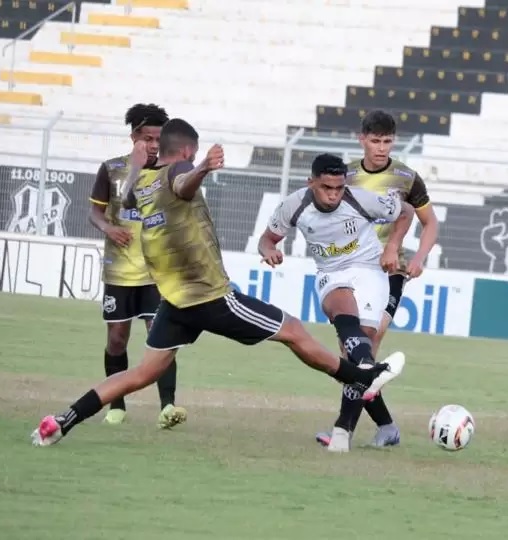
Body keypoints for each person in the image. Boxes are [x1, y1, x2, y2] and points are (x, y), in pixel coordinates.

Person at [31, 119, 404, 447]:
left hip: (174, 303)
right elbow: (183, 184)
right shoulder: (179, 172)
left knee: (142, 373)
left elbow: (145, 188)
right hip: (211, 298)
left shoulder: (142, 184)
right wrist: (204, 168)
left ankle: (64, 419)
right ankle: (362, 377)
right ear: (188, 150)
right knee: (293, 330)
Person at [258, 153, 415, 452]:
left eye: (338, 188)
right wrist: (268, 251)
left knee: (350, 358)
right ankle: (370, 379)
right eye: (326, 187)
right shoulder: (294, 205)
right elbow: (266, 239)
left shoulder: (360, 199)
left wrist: (392, 247)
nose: (333, 194)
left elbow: (405, 211)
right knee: (347, 326)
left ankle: (365, 429)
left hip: (370, 269)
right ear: (311, 183)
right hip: (331, 273)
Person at [314, 110, 440, 449]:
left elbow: (429, 222)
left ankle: (343, 431)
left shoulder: (406, 177)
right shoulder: (347, 176)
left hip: (390, 270)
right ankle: (386, 426)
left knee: (370, 340)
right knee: (354, 354)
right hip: (353, 268)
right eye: (375, 141)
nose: (381, 148)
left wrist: (415, 258)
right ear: (362, 139)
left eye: (387, 141)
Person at [87, 103, 186, 429]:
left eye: (160, 138)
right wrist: (108, 228)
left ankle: (168, 406)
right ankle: (116, 404)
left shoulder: (171, 172)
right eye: (148, 138)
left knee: (161, 339)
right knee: (117, 338)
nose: (155, 145)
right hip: (119, 271)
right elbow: (96, 212)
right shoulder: (112, 169)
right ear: (133, 137)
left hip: (157, 272)